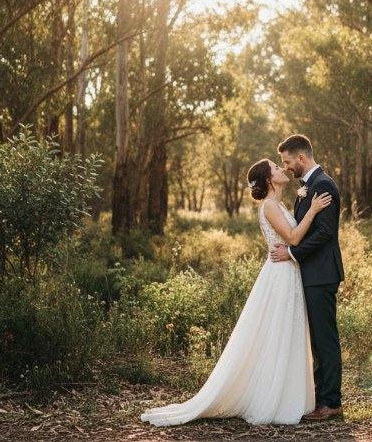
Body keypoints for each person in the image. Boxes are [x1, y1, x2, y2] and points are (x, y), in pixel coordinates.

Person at [140, 157, 332, 425]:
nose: (282, 169)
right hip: (280, 275)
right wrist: (312, 211)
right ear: (269, 180)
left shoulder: (277, 204)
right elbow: (293, 238)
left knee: (284, 332)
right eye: (277, 168)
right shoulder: (270, 206)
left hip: (286, 272)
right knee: (277, 331)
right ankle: (273, 396)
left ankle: (287, 393)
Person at [269, 133, 345, 421]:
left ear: (301, 158)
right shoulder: (307, 186)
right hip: (312, 272)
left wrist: (292, 254)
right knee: (316, 339)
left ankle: (331, 402)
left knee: (325, 339)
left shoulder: (322, 185)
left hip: (322, 273)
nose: (286, 167)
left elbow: (326, 233)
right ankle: (320, 397)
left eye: (287, 162)